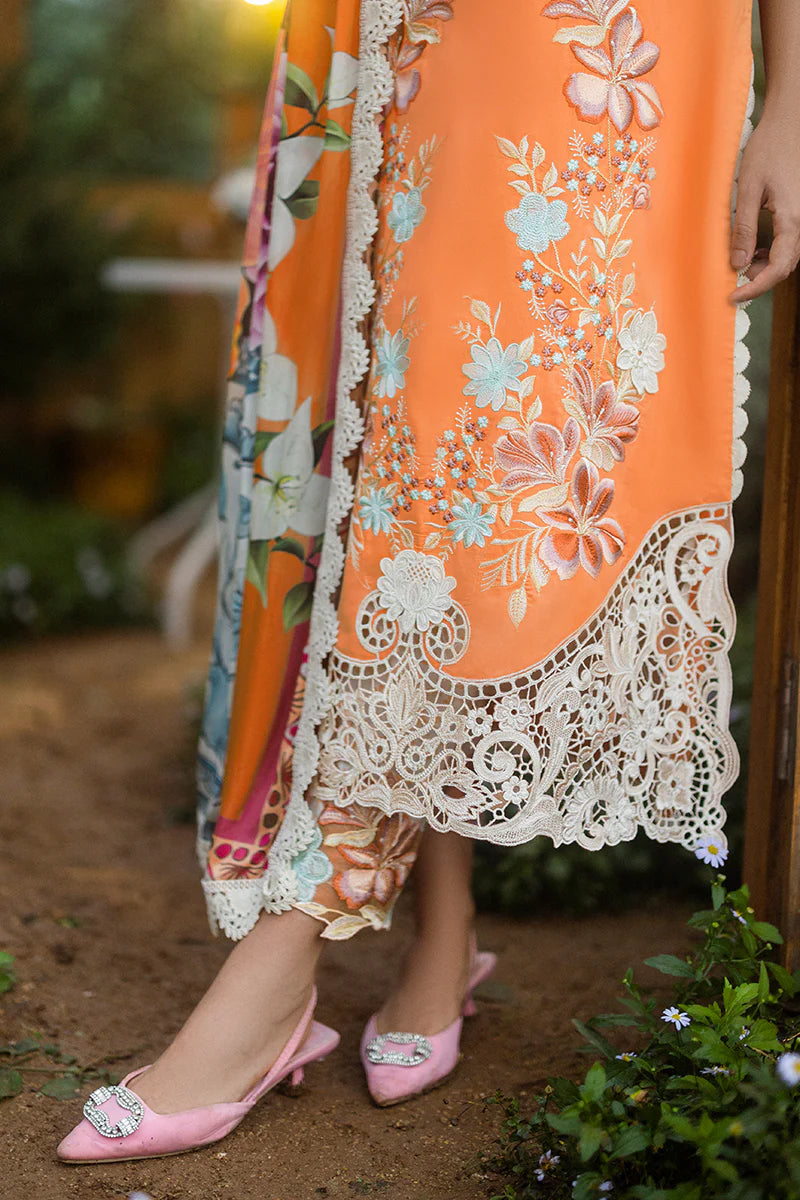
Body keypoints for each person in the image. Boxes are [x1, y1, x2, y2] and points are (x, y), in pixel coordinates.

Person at [57, 0, 800, 1163]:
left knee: (491, 477)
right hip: (426, 42)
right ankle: (442, 924)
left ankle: (285, 959)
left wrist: (792, 105)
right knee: (405, 475)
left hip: (608, 50)